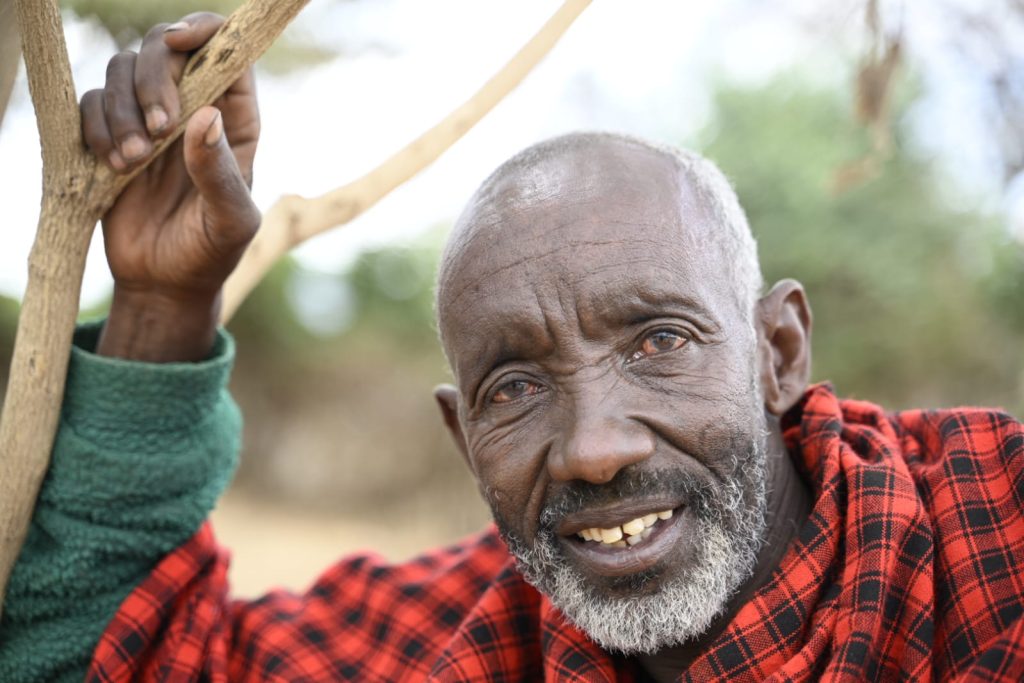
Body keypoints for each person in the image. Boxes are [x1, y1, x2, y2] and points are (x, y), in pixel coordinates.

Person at [1, 13, 1023, 683]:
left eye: (657, 339)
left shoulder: (988, 535)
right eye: (515, 385)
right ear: (461, 432)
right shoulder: (453, 641)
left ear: (778, 349)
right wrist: (164, 298)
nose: (591, 448)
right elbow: (115, 655)